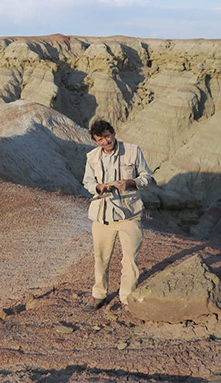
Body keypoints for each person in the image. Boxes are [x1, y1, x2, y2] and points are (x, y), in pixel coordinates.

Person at [82, 119, 153, 311]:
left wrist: (129, 183)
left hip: (129, 215)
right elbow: (87, 182)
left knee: (130, 259)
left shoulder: (132, 150)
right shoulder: (92, 157)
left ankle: (126, 298)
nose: (106, 141)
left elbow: (147, 177)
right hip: (102, 217)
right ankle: (99, 295)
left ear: (113, 133)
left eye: (107, 136)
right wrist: (97, 187)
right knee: (101, 257)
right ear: (96, 141)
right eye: (100, 139)